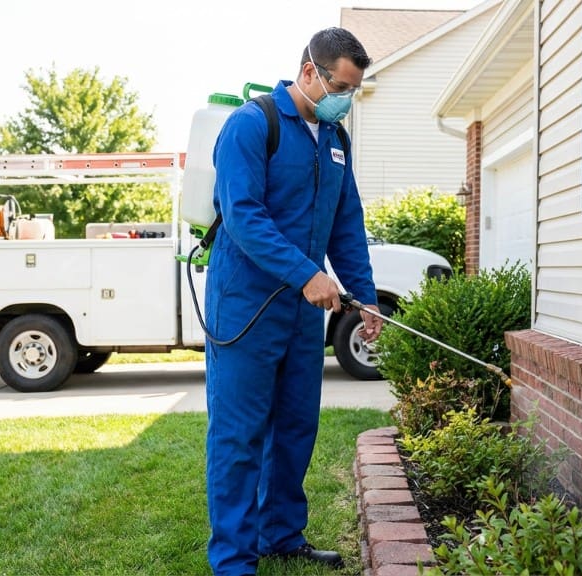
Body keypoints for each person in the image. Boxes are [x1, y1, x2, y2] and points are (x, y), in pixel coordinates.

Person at [203, 27, 383, 575]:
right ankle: (234, 560)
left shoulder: (335, 139)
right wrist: (306, 273)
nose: (345, 100)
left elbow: (345, 223)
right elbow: (243, 216)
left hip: (303, 312)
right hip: (246, 306)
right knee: (239, 436)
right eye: (340, 87)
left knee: (296, 426)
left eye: (352, 91)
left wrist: (364, 296)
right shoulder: (252, 125)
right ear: (309, 71)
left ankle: (280, 535)